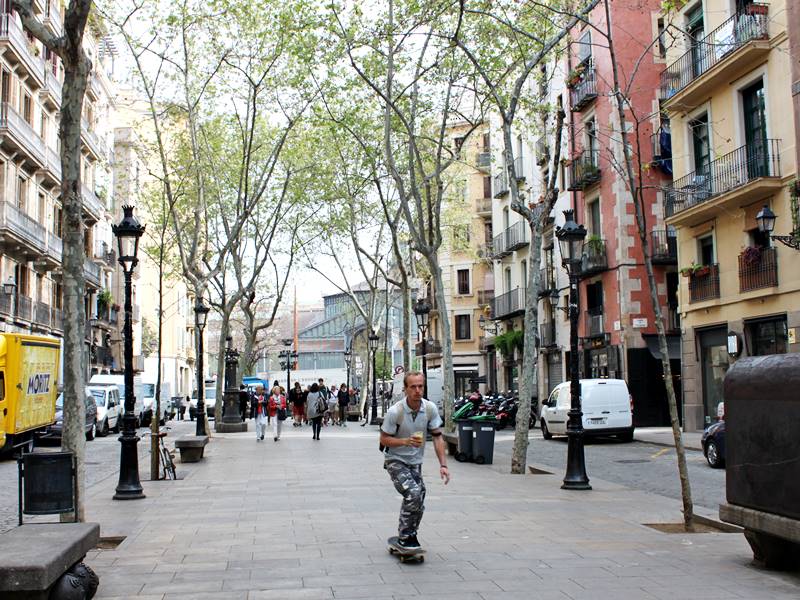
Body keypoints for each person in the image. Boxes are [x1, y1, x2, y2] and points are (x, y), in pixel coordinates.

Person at [379, 371, 449, 552]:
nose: (418, 391)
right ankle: (405, 535)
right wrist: (405, 441)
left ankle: (411, 533)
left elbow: (437, 437)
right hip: (395, 460)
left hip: (415, 462)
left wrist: (443, 465)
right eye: (413, 387)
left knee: (420, 496)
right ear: (405, 389)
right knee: (413, 493)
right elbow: (384, 440)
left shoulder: (430, 409)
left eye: (421, 386)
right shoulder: (396, 412)